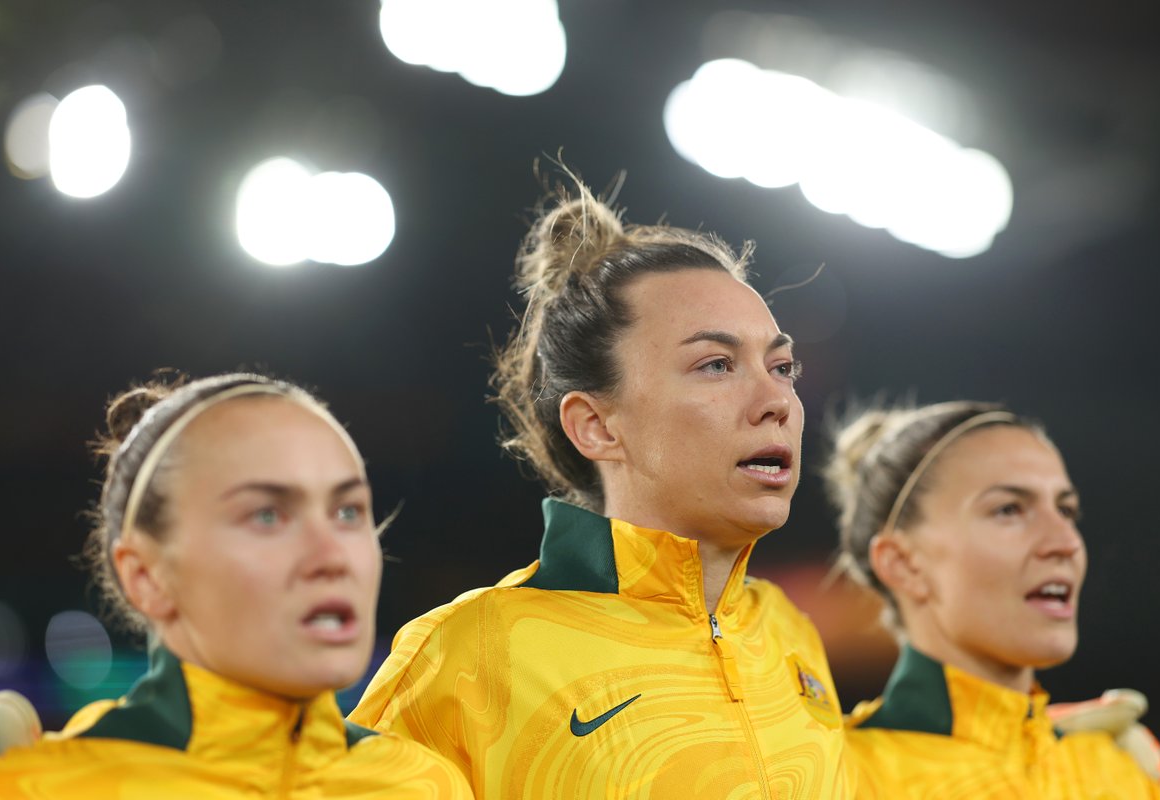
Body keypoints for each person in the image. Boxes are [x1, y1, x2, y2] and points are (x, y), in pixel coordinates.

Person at [351, 174, 853, 798]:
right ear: (596, 426)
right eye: (716, 364)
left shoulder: (788, 633)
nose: (776, 399)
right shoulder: (471, 654)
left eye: (781, 366)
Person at [0, 373, 472, 799]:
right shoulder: (40, 786)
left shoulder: (430, 784)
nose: (332, 556)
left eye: (348, 511)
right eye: (267, 515)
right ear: (146, 576)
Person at [823, 400, 1160, 798]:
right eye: (1009, 509)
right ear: (903, 564)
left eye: (1066, 510)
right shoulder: (836, 777)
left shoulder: (1119, 769)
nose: (1066, 542)